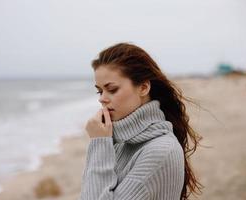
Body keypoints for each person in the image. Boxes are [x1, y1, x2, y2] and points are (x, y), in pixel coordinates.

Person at [79, 43, 202, 200]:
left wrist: (99, 142)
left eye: (112, 89)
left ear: (143, 87)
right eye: (100, 90)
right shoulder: (121, 141)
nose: (102, 98)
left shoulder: (161, 151)